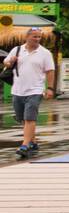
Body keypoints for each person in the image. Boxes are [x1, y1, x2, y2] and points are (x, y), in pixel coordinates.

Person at [4, 27, 56, 159]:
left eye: (39, 37)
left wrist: (50, 88)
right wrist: (10, 62)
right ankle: (33, 141)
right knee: (22, 118)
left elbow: (50, 71)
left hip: (35, 90)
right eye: (35, 36)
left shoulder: (45, 53)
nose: (37, 39)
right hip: (17, 90)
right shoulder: (17, 50)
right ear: (27, 37)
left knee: (30, 118)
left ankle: (24, 145)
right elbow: (6, 62)